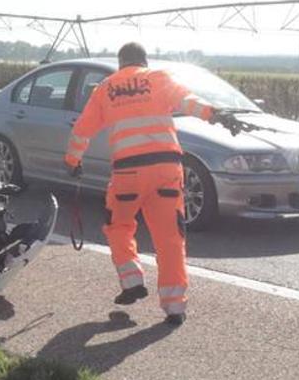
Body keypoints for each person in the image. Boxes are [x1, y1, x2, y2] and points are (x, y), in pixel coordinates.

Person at [63, 42, 234, 326]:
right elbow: (188, 101)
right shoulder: (159, 78)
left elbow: (83, 129)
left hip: (128, 173)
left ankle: (132, 281)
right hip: (167, 169)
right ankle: (175, 307)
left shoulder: (105, 88)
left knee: (119, 226)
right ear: (143, 61)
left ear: (121, 63)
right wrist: (214, 114)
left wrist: (72, 161)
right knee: (170, 237)